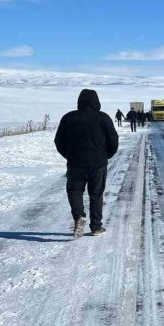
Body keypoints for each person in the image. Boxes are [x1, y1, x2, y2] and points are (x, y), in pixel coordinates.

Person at [54, 89, 119, 238]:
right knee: (96, 194)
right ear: (96, 101)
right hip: (98, 164)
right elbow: (113, 141)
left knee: (74, 191)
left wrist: (69, 156)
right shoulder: (103, 118)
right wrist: (104, 156)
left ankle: (79, 216)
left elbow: (59, 141)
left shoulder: (68, 118)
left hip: (75, 163)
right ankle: (96, 227)